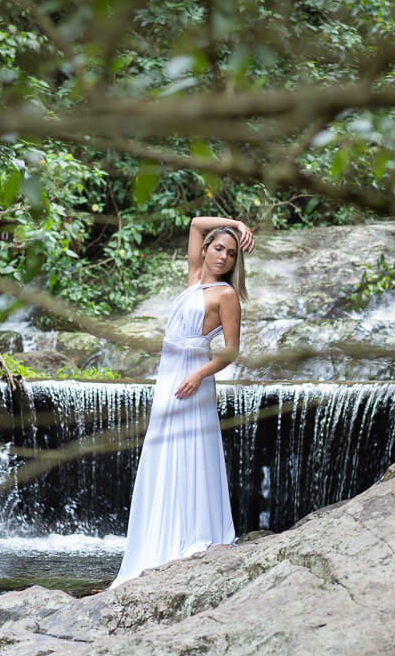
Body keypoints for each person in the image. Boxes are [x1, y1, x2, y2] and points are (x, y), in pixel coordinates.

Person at [111, 216, 255, 587]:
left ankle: (193, 532)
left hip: (194, 377)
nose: (223, 256)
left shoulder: (226, 295)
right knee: (163, 452)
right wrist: (236, 223)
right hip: (169, 377)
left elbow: (232, 351)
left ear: (235, 262)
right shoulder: (193, 280)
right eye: (218, 248)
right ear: (206, 250)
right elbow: (195, 223)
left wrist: (199, 375)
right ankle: (159, 533)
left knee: (192, 452)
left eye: (231, 253)